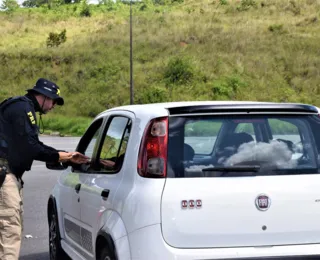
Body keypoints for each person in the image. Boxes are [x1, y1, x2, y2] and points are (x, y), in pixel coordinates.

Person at [0, 78, 89, 260]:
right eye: (54, 101)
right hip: (4, 175)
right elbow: (31, 147)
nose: (54, 105)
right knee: (9, 231)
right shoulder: (23, 109)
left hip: (9, 173)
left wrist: (63, 155)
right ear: (43, 96)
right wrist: (66, 156)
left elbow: (30, 145)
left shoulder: (21, 107)